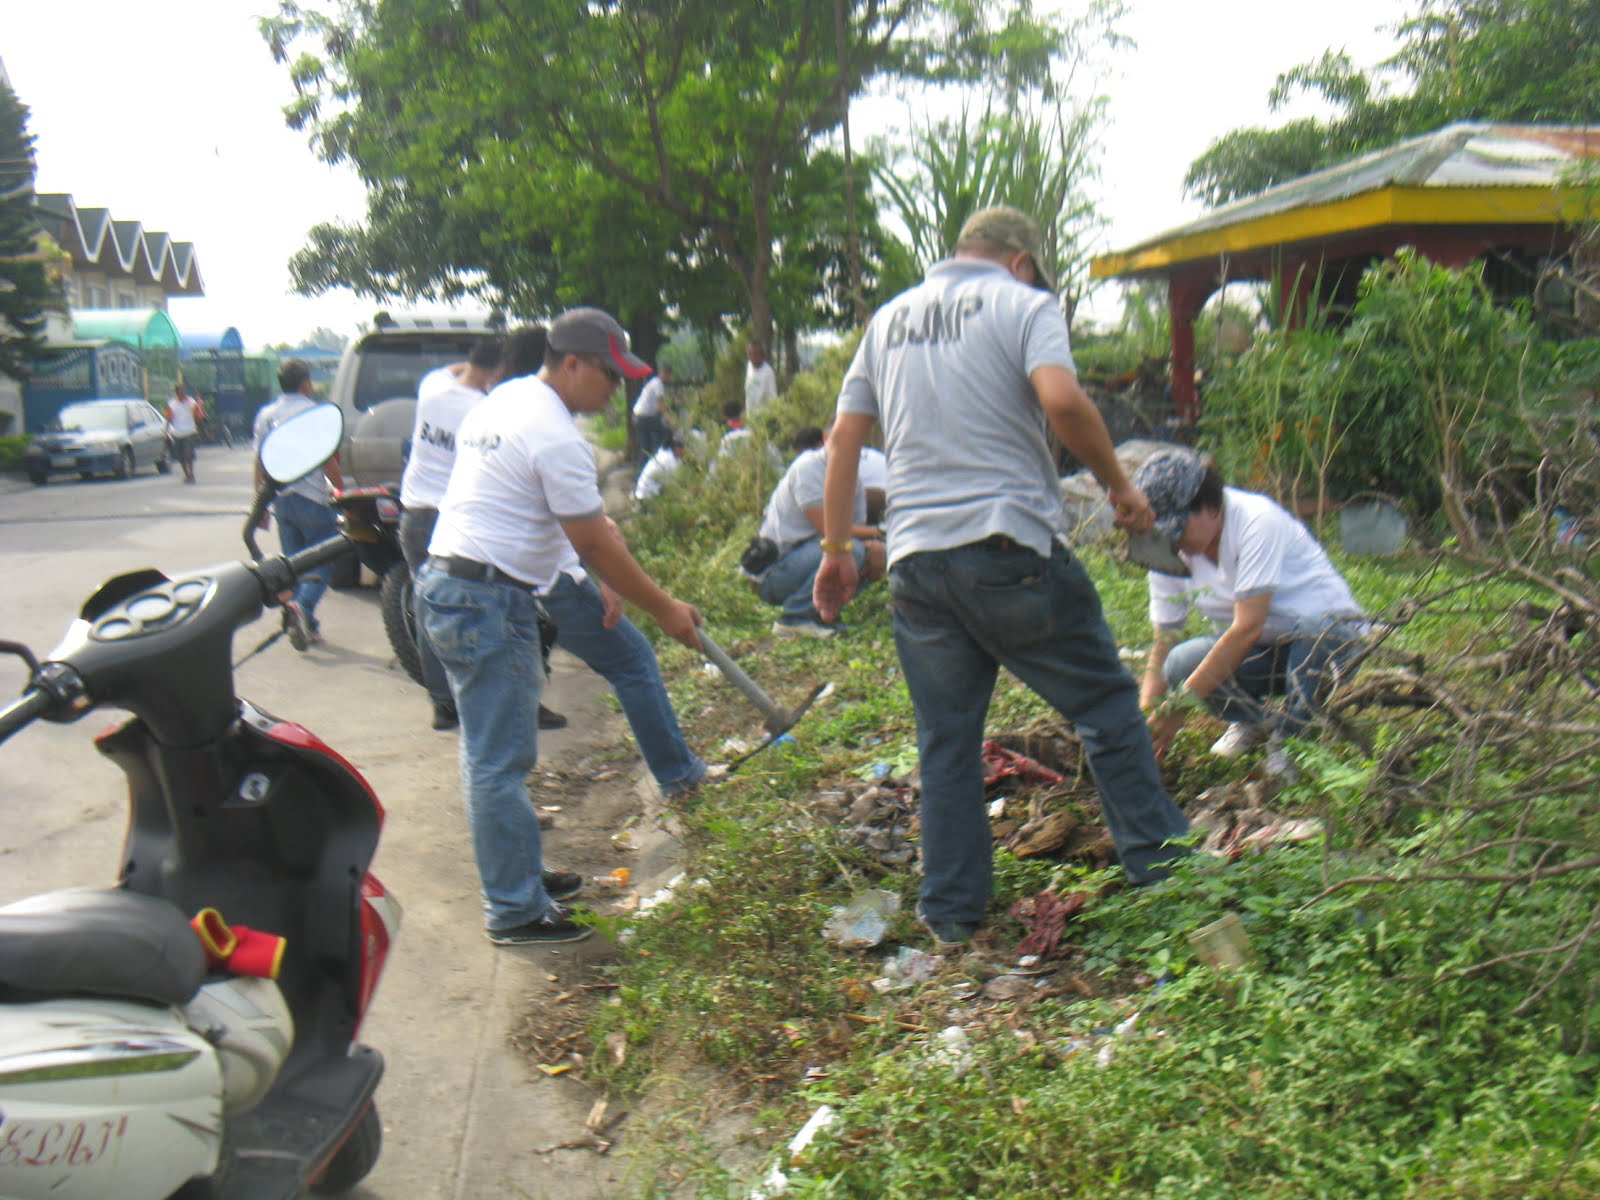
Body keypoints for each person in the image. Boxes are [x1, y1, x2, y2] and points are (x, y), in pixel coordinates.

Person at [813, 204, 1191, 945]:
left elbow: (844, 443)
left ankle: (951, 912)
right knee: (1107, 704)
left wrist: (834, 552)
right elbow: (1060, 399)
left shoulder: (887, 321)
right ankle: (1166, 869)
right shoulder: (1026, 304)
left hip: (917, 563)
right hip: (1007, 549)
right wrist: (1119, 485)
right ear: (1021, 261)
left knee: (946, 739)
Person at [417, 310, 715, 946]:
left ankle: (518, 873)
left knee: (489, 753)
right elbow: (592, 538)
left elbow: (538, 517)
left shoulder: (507, 400)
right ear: (573, 363)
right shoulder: (554, 433)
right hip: (486, 600)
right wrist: (663, 606)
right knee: (498, 761)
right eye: (611, 375)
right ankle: (514, 910)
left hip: (460, 584)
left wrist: (588, 576)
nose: (617, 390)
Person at [1132, 448, 1368, 780]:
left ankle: (1291, 743)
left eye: (1179, 530)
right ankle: (1256, 722)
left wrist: (1180, 707)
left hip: (1329, 641)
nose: (1176, 544)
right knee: (1181, 663)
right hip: (1265, 654)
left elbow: (1247, 628)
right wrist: (1150, 719)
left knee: (1317, 632)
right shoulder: (1169, 551)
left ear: (1211, 508)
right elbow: (1165, 639)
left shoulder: (1257, 521)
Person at [397, 335, 565, 734]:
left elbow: (450, 371)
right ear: (495, 373)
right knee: (511, 606)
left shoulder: (433, 390)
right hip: (457, 521)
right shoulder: (485, 409)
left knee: (428, 612)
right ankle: (521, 699)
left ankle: (442, 704)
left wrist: (475, 366)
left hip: (413, 515)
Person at [749, 424, 885, 638]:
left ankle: (822, 615)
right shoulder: (808, 467)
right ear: (825, 439)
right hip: (776, 571)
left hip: (808, 558)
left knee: (869, 554)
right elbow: (829, 530)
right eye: (840, 439)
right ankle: (795, 618)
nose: (847, 447)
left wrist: (875, 545)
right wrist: (876, 534)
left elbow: (854, 528)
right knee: (851, 550)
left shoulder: (853, 479)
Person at [252, 360, 344, 650]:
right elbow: (328, 458)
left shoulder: (266, 415)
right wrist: (342, 491)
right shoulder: (314, 412)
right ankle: (302, 608)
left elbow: (260, 460)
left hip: (281, 501)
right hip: (313, 498)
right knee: (323, 562)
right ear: (305, 383)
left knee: (294, 567)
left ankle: (308, 624)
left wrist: (260, 505)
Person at [632, 363, 673, 457]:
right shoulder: (658, 384)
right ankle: (661, 453)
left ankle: (643, 468)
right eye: (668, 374)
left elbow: (658, 409)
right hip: (643, 417)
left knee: (646, 448)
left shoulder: (653, 382)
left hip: (637, 417)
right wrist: (671, 422)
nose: (668, 377)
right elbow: (662, 406)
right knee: (666, 430)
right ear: (665, 373)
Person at [167, 382, 203, 484]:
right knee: (181, 457)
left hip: (189, 431)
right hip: (177, 433)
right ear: (177, 392)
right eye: (180, 391)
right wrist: (166, 433)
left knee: (189, 455)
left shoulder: (191, 402)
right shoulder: (172, 404)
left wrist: (198, 428)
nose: (183, 393)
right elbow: (169, 418)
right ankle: (187, 474)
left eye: (184, 390)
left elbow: (197, 416)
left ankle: (191, 473)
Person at [632, 431, 683, 503]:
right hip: (648, 497)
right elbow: (673, 486)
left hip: (647, 492)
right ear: (677, 448)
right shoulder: (669, 459)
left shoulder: (666, 452)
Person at [744, 342, 777, 418]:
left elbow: (773, 397)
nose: (752, 357)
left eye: (755, 354)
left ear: (762, 355)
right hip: (750, 415)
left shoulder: (768, 372)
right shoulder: (749, 367)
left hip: (762, 417)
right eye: (750, 354)